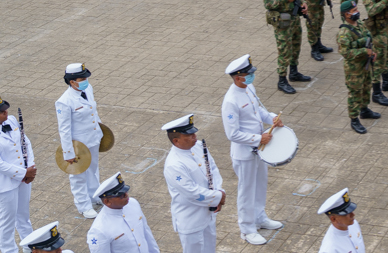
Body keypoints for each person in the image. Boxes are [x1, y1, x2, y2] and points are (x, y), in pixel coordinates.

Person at [221, 55, 285, 244]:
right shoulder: (231, 101)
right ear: (238, 77)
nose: (251, 76)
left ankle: (259, 217)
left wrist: (272, 118)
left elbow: (260, 111)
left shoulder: (249, 88)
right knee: (247, 190)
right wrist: (258, 138)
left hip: (261, 149)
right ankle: (247, 228)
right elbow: (232, 134)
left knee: (260, 185)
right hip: (245, 153)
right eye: (248, 74)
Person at [161, 114, 224, 253]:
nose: (194, 136)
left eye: (194, 133)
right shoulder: (174, 165)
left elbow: (213, 169)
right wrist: (218, 197)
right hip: (191, 219)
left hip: (208, 211)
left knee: (209, 249)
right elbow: (191, 193)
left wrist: (219, 191)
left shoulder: (199, 146)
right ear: (176, 141)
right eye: (188, 136)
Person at [56, 63, 104, 219]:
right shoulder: (64, 101)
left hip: (93, 138)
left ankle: (94, 196)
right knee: (78, 175)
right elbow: (64, 129)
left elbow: (93, 112)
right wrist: (68, 152)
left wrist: (101, 132)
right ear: (72, 81)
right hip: (78, 145)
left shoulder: (87, 89)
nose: (86, 81)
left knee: (93, 169)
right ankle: (83, 205)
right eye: (82, 78)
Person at [262, 0, 311, 93]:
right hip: (283, 21)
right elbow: (268, 3)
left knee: (296, 46)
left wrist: (302, 4)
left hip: (294, 18)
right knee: (284, 50)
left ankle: (294, 72)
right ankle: (282, 80)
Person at [336, 1, 379, 134]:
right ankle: (354, 119)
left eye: (356, 9)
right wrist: (363, 52)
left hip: (365, 63)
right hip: (354, 69)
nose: (357, 12)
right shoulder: (344, 33)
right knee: (355, 93)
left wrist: (372, 52)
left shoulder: (359, 24)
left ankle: (364, 109)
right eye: (353, 10)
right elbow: (346, 53)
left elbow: (368, 39)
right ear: (346, 14)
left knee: (366, 87)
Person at [87, 173, 159, 253]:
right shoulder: (99, 229)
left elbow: (147, 234)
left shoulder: (133, 204)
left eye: (126, 191)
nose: (126, 195)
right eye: (121, 195)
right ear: (107, 201)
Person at [0, 97, 35, 253]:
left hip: (24, 177)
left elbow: (26, 143)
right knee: (6, 222)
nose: (6, 113)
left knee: (23, 215)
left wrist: (31, 168)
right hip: (5, 184)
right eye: (1, 112)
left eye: (5, 110)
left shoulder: (12, 121)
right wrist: (22, 173)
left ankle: (30, 245)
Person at [317, 188, 366, 252]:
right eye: (347, 214)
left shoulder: (353, 224)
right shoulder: (330, 248)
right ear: (333, 219)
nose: (353, 215)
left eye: (351, 211)